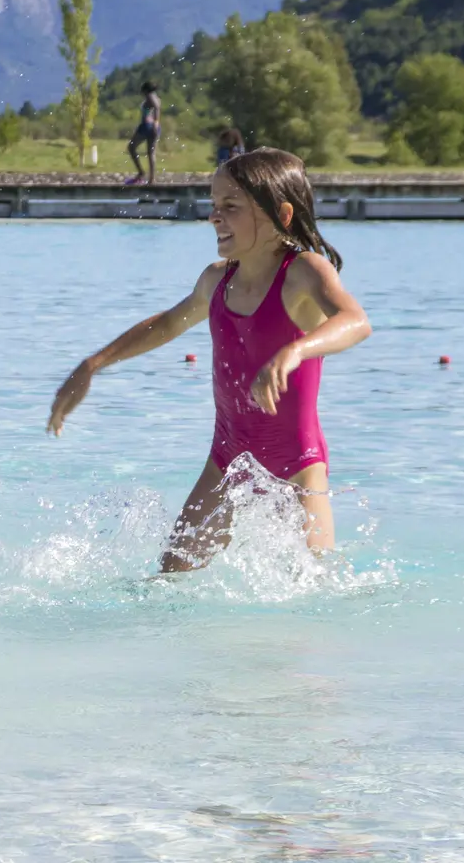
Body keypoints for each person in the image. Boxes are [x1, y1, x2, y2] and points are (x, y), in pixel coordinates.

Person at [48, 148, 372, 572]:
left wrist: (296, 350)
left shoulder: (303, 273)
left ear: (281, 214)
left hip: (297, 465)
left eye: (231, 207)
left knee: (314, 589)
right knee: (167, 581)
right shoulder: (217, 280)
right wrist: (95, 363)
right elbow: (166, 325)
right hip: (226, 458)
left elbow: (356, 321)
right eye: (214, 205)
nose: (214, 217)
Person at [126, 80, 161, 186]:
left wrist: (155, 121)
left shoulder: (150, 96)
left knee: (131, 147)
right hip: (154, 127)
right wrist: (156, 123)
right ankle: (151, 179)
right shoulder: (157, 97)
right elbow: (156, 107)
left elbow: (156, 108)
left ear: (145, 90)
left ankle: (141, 172)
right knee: (151, 153)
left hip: (147, 126)